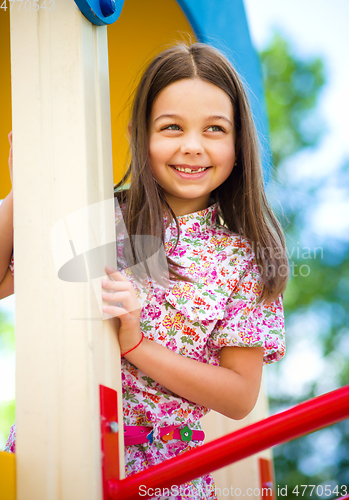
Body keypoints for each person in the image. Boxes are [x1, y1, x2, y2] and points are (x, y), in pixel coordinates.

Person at [1, 43, 288, 499]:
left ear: (238, 143)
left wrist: (137, 344)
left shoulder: (243, 257)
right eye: (171, 127)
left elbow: (239, 396)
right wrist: (24, 192)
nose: (192, 146)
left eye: (214, 129)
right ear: (139, 134)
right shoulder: (96, 215)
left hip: (164, 474)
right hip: (50, 452)